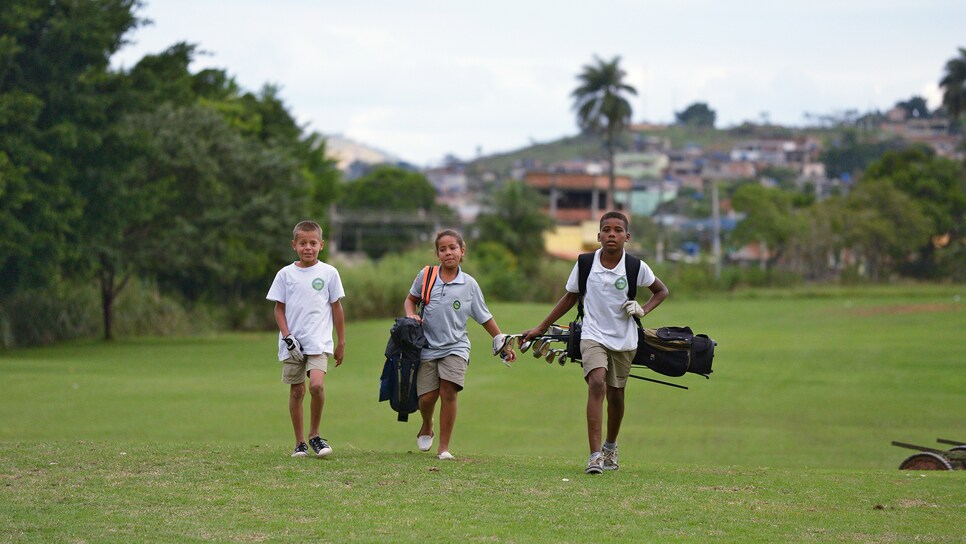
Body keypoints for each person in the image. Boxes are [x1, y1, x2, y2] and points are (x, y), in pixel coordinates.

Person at [522, 211, 668, 475]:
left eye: (617, 230)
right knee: (597, 382)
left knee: (616, 393)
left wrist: (643, 309)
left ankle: (610, 447)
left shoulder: (635, 266)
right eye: (607, 230)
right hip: (592, 334)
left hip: (624, 339)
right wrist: (540, 327)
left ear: (627, 236)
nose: (612, 234)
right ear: (598, 235)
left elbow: (661, 291)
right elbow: (569, 297)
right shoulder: (586, 263)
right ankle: (595, 456)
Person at [404, 229, 516, 460]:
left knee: (449, 392)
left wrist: (502, 342)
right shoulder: (426, 276)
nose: (448, 253)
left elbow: (484, 316)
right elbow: (410, 300)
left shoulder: (469, 284)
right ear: (437, 254)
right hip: (426, 346)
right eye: (443, 249)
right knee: (426, 399)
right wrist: (410, 315)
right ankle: (427, 424)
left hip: (456, 346)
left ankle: (443, 447)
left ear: (462, 251)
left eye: (453, 248)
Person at [266, 220, 346, 458]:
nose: (308, 247)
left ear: (321, 245)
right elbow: (279, 309)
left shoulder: (329, 273)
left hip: (319, 342)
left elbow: (337, 308)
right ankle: (299, 442)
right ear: (294, 245)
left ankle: (315, 436)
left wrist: (341, 342)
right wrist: (287, 336)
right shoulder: (285, 274)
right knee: (297, 392)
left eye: (313, 243)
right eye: (303, 243)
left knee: (317, 386)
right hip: (293, 345)